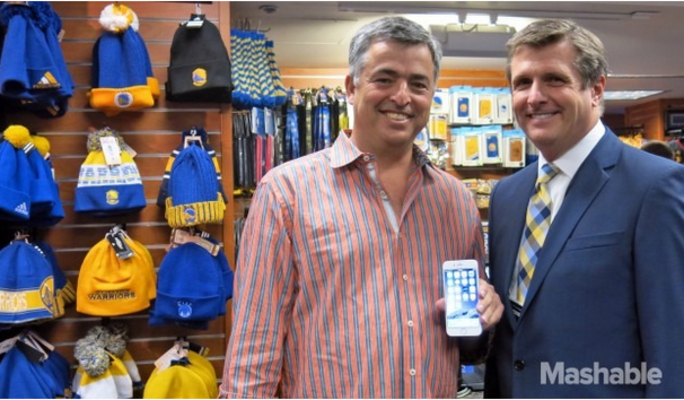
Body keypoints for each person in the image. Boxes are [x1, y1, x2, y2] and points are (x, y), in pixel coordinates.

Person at [220, 16, 503, 398]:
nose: (402, 96)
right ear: (352, 87)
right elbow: (255, 349)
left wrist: (482, 321)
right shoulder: (286, 192)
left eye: (418, 84)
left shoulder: (456, 200)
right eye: (385, 79)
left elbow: (468, 344)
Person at [484, 19, 684, 398]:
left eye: (554, 79)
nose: (534, 96)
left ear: (596, 89)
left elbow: (674, 343)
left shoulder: (655, 186)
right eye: (522, 83)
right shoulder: (507, 196)